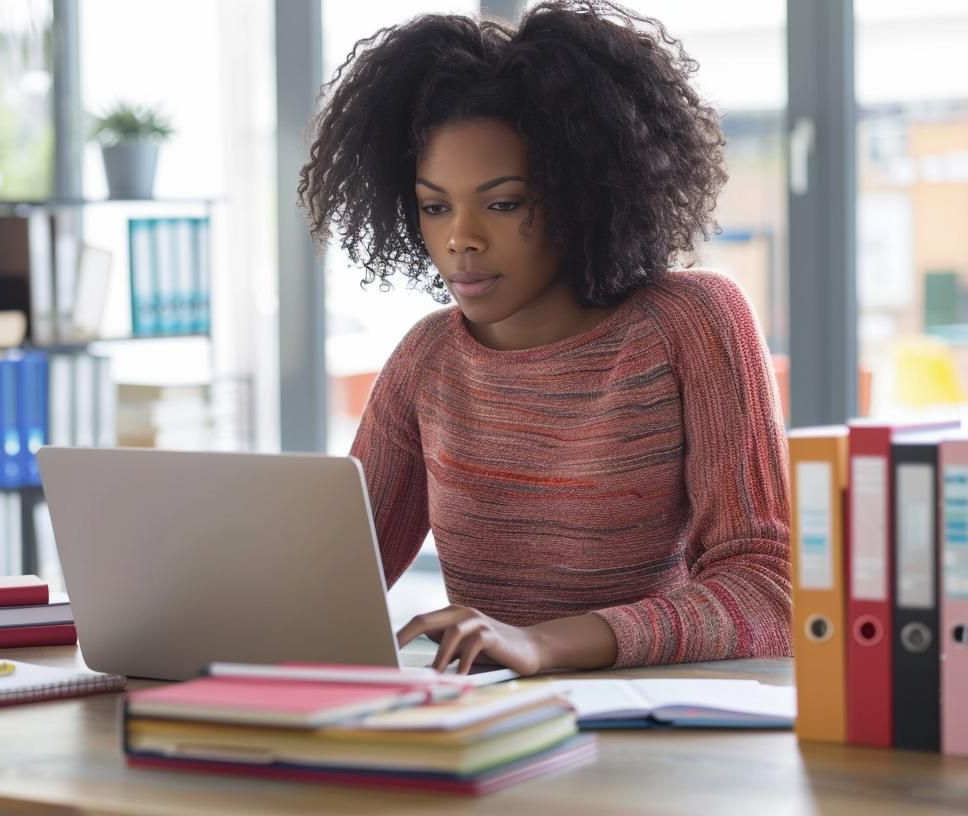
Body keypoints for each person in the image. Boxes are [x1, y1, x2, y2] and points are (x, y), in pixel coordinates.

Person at [298, 1, 791, 676]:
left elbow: (770, 589)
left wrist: (544, 643)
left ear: (581, 191)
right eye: (435, 205)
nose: (460, 239)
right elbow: (324, 588)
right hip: (483, 731)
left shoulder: (690, 323)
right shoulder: (427, 360)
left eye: (503, 204)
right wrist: (148, 611)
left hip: (659, 737)